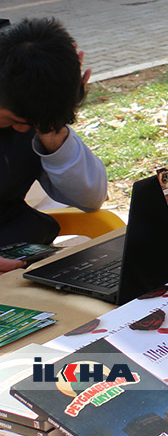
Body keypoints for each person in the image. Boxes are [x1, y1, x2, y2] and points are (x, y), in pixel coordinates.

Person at [0, 18, 107, 258]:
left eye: (31, 124)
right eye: (15, 120)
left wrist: (55, 131)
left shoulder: (34, 98)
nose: (22, 130)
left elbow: (90, 199)